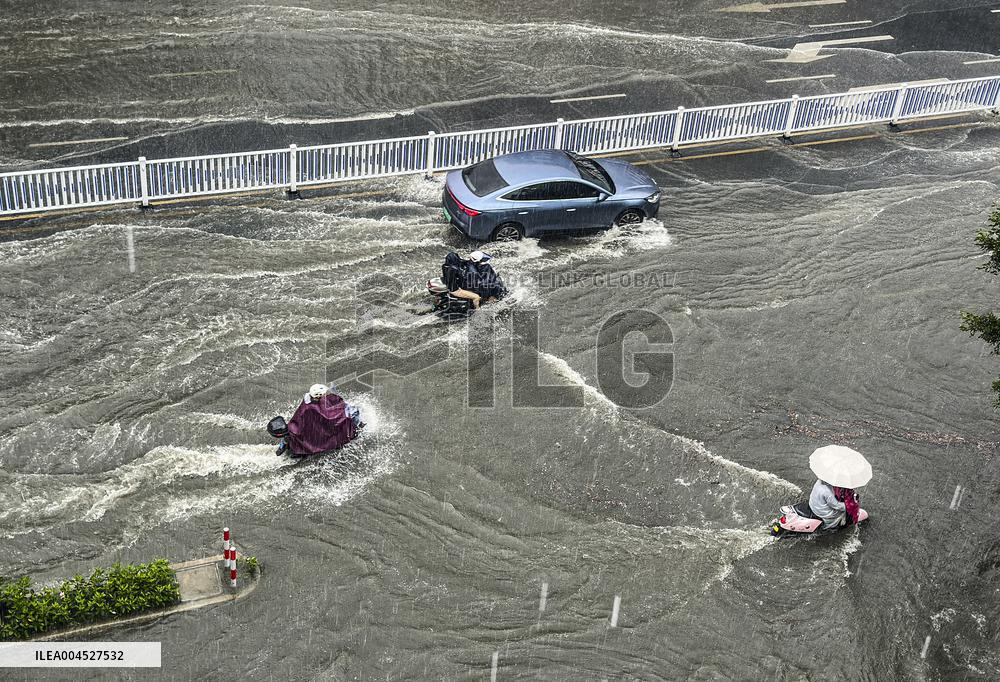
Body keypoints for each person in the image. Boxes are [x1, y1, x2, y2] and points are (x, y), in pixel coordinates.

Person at [275, 383, 363, 457]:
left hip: (297, 429)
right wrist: (344, 414)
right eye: (324, 393)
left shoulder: (307, 399)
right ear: (318, 396)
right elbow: (330, 418)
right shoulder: (312, 408)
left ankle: (284, 445)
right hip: (304, 433)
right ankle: (352, 432)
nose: (325, 394)